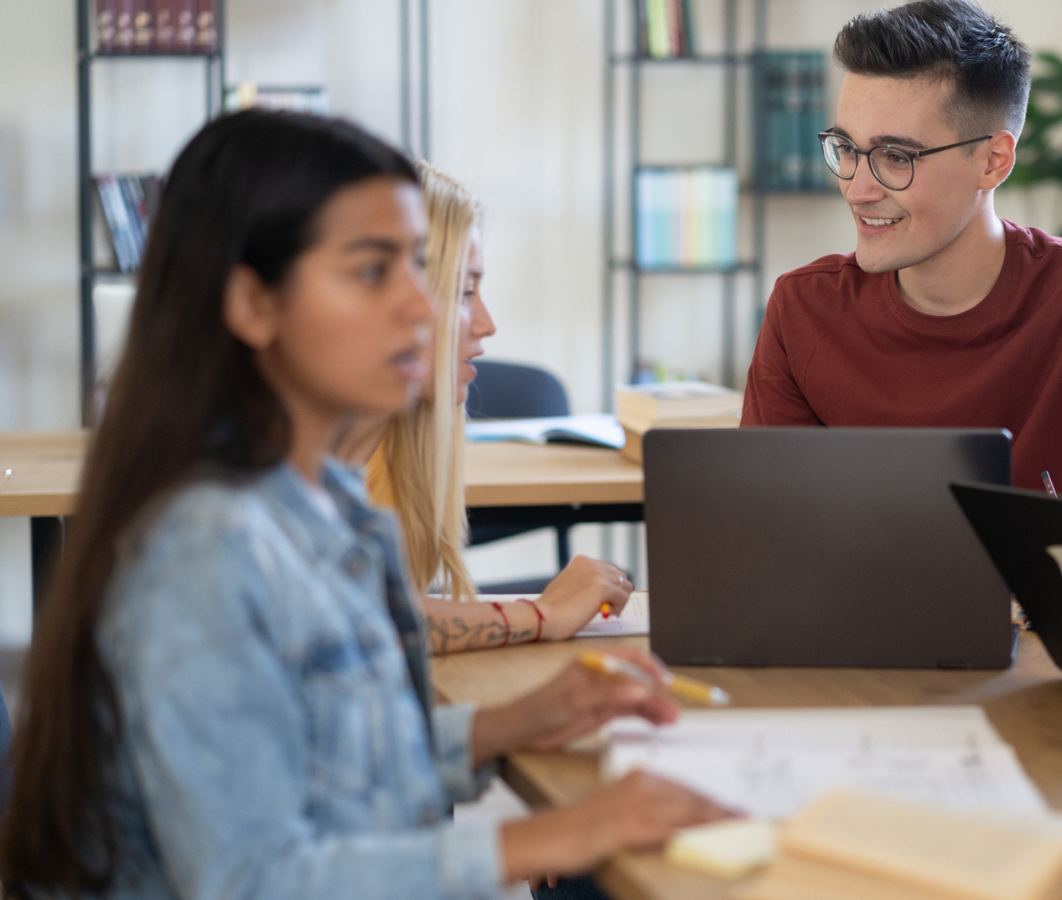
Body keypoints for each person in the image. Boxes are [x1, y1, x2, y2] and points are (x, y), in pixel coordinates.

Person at [0, 110, 724, 899]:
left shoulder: (328, 506)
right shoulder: (204, 550)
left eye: (421, 267)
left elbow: (329, 752)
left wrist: (508, 725)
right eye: (374, 270)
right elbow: (253, 879)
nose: (425, 308)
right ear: (251, 303)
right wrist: (547, 834)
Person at [740, 0, 1062, 524]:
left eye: (895, 157)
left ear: (993, 161)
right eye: (846, 147)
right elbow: (765, 525)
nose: (857, 189)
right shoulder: (802, 308)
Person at [337, 162, 632, 655]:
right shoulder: (282, 481)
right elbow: (363, 622)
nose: (488, 323)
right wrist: (541, 614)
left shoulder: (390, 450)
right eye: (465, 292)